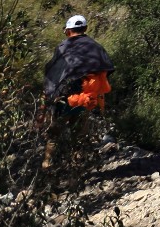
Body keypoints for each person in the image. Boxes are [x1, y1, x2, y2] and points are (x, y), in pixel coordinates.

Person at [41, 14, 114, 172]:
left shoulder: (64, 47)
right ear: (85, 29)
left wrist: (48, 97)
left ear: (68, 31)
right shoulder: (96, 47)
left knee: (54, 134)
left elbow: (53, 73)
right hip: (87, 99)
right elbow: (106, 70)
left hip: (65, 98)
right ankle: (76, 170)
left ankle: (47, 168)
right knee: (79, 135)